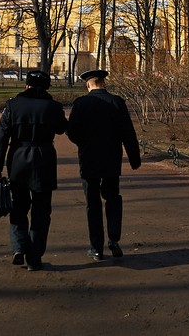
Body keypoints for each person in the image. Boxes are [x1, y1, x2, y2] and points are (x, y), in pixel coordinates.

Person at [0, 70, 68, 271]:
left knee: (18, 206)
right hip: (44, 158)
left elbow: (1, 139)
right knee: (42, 210)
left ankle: (18, 247)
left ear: (26, 85)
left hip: (18, 158)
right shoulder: (53, 107)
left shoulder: (12, 105)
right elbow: (61, 128)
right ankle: (34, 257)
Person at [67, 69, 141, 261]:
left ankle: (96, 248)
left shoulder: (81, 103)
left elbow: (72, 132)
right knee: (112, 197)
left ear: (88, 84)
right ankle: (114, 238)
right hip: (111, 158)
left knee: (92, 203)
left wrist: (83, 143)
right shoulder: (117, 102)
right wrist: (134, 158)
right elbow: (128, 133)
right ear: (104, 83)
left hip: (89, 159)